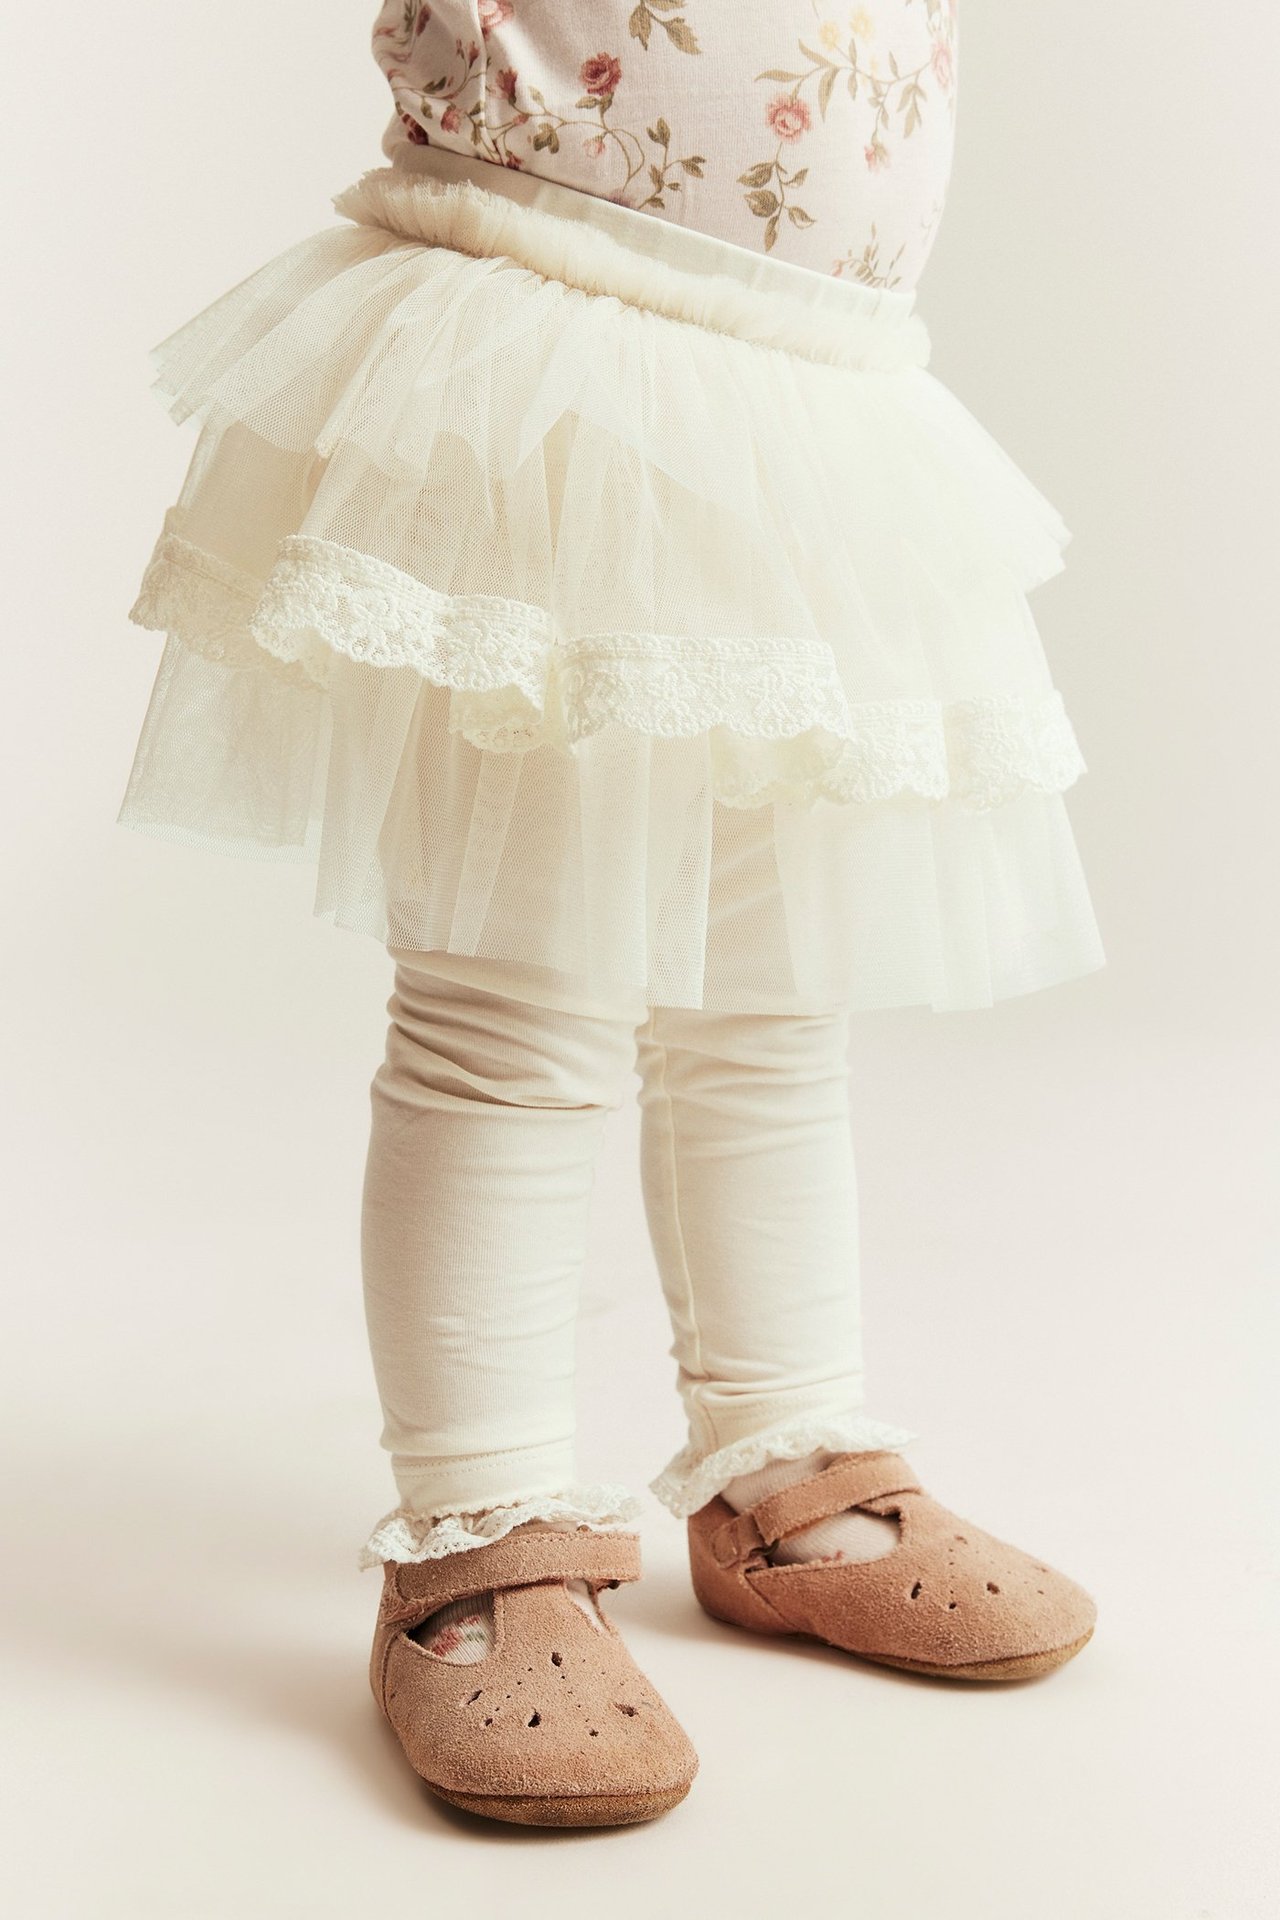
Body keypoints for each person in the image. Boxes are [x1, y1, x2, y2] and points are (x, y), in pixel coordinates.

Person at [118, 0, 1105, 1828]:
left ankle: (784, 1455)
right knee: (517, 996)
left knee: (765, 991)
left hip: (808, 383)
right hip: (561, 337)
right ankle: (480, 1536)